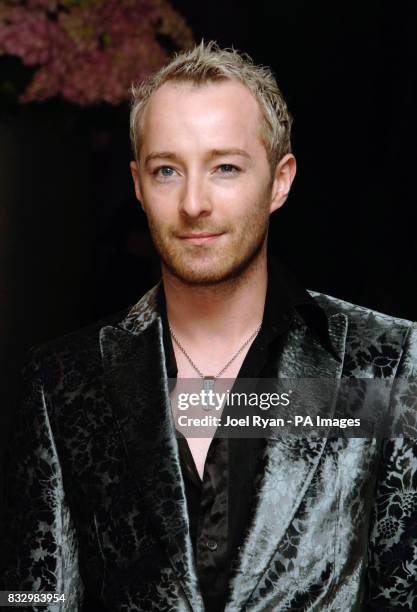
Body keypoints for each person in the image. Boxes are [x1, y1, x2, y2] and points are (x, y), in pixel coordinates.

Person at [1, 41, 417, 612]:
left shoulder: (388, 358)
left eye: (225, 167)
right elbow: (32, 596)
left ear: (280, 180)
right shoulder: (63, 381)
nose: (194, 202)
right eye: (167, 170)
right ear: (138, 186)